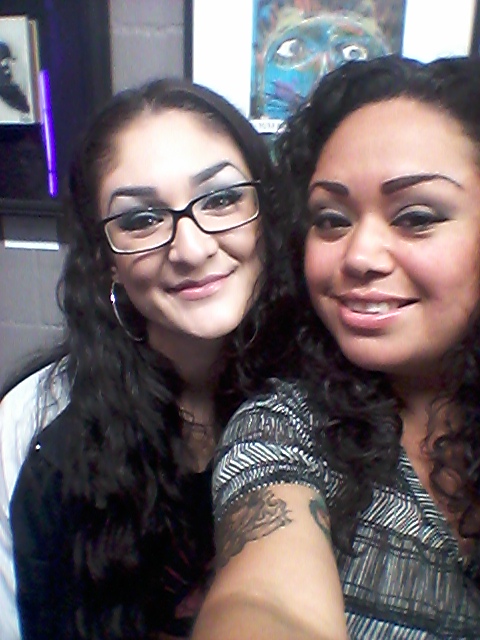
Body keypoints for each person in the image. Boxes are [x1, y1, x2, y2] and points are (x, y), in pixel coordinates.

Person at [191, 55, 480, 639]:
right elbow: (263, 602)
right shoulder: (286, 427)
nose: (359, 256)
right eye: (331, 219)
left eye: (416, 216)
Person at [6, 77, 293, 639]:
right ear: (106, 260)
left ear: (265, 213)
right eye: (141, 220)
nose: (191, 248)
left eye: (222, 199)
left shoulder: (329, 391)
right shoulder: (44, 443)